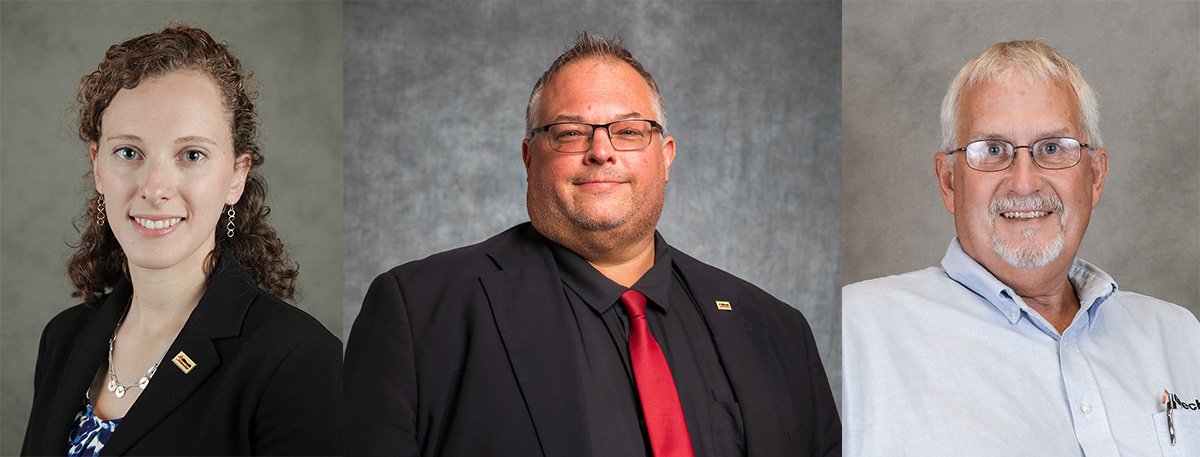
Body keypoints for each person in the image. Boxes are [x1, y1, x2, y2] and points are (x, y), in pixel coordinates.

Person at [344, 33, 840, 457]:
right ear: (529, 157)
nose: (600, 151)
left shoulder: (779, 331)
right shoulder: (419, 314)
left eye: (628, 131)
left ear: (665, 157)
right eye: (570, 133)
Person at [843, 40, 1200, 456]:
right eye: (993, 151)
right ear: (949, 182)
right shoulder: (858, 333)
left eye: (1053, 148)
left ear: (1096, 176)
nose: (1024, 182)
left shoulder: (1181, 337)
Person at [21, 25, 342, 456]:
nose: (154, 188)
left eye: (192, 155)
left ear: (236, 176)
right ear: (98, 166)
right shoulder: (62, 339)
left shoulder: (299, 361)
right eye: (128, 152)